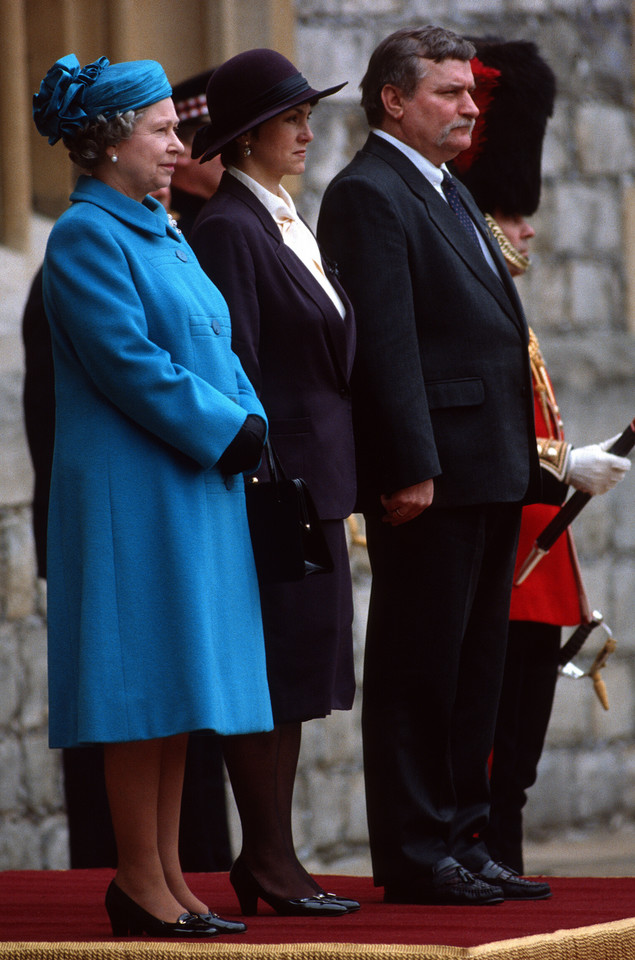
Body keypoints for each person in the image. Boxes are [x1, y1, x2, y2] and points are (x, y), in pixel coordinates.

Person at [32, 53, 273, 937]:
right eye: (163, 128)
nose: (180, 142)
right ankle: (138, 877)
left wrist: (251, 417)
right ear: (108, 142)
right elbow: (131, 365)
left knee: (176, 686)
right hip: (133, 494)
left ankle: (167, 873)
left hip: (190, 485)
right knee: (139, 693)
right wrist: (227, 428)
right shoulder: (84, 236)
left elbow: (219, 344)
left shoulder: (160, 228)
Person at [317, 25, 546, 906]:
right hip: (432, 475)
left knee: (474, 668)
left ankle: (462, 835)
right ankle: (415, 853)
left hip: (485, 466)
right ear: (394, 100)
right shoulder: (370, 193)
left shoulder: (445, 188)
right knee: (421, 667)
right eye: (449, 92)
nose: (468, 106)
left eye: (470, 91)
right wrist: (408, 463)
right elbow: (385, 342)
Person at [451, 37, 631, 874]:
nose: (527, 227)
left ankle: (507, 868)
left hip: (539, 555)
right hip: (508, 549)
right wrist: (568, 462)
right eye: (511, 214)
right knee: (490, 756)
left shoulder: (509, 315)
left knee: (515, 758)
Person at [189, 49, 358, 917]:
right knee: (272, 676)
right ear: (248, 135)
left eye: (306, 114)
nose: (306, 129)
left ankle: (273, 856)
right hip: (274, 490)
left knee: (298, 678)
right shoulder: (227, 229)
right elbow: (237, 369)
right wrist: (271, 479)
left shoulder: (283, 218)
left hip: (316, 482)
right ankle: (266, 859)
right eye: (291, 117)